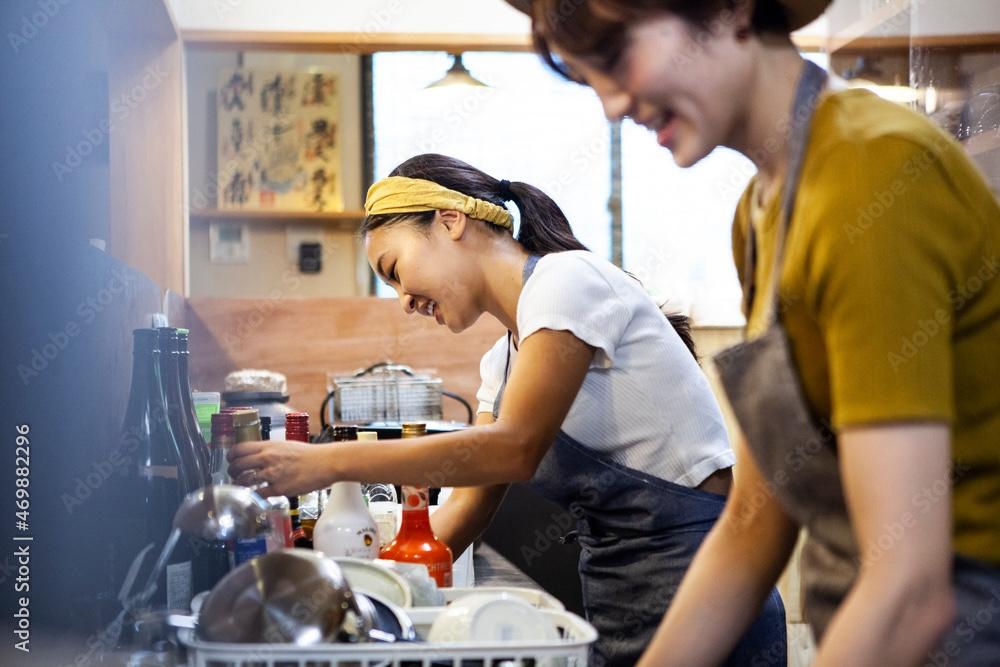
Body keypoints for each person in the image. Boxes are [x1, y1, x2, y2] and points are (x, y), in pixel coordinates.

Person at [511, 0, 1000, 664]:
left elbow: (912, 589)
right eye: (588, 78)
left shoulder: (870, 172)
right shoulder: (762, 209)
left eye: (616, 56)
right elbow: (751, 519)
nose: (612, 104)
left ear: (731, 10)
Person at [228, 153, 787, 665]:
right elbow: (461, 514)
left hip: (708, 581)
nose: (403, 301)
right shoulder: (503, 362)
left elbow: (513, 450)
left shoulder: (568, 280)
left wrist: (327, 463)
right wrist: (356, 594)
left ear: (450, 222)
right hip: (619, 595)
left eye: (396, 270)